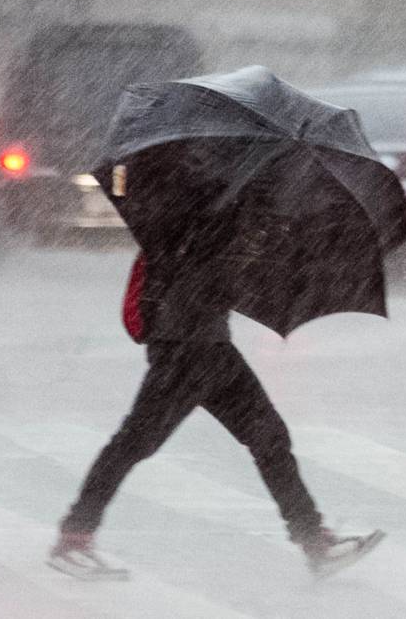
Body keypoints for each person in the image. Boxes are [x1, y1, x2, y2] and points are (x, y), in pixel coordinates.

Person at [49, 191, 381, 578]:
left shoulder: (227, 196)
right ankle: (74, 537)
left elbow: (229, 272)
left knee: (268, 436)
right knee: (135, 441)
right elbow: (199, 263)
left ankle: (313, 540)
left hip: (210, 343)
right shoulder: (198, 198)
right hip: (184, 346)